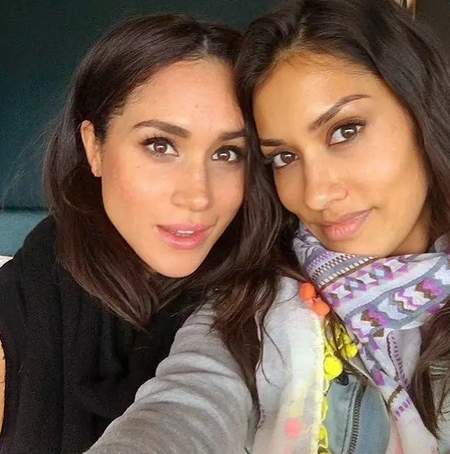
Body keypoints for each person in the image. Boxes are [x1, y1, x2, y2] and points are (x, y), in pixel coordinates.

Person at [82, 1, 450, 453]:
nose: (315, 194)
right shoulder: (252, 308)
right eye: (284, 157)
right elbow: (187, 405)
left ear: (420, 111)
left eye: (345, 131)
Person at [0, 12, 280, 454]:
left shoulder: (274, 309)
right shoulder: (15, 321)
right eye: (160, 145)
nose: (198, 196)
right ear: (94, 147)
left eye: (228, 153)